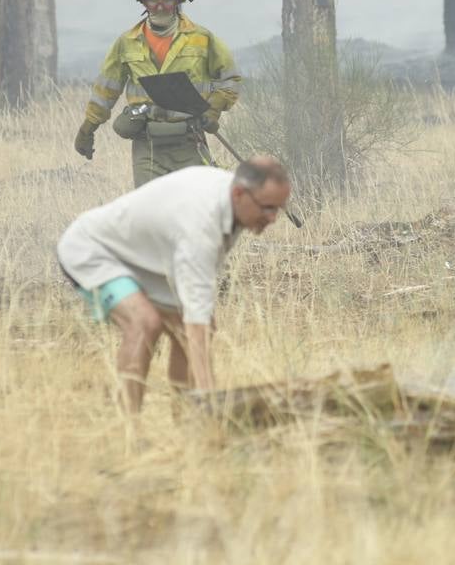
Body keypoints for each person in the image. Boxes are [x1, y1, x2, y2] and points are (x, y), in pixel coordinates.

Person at [56, 156, 292, 412]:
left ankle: (188, 421)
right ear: (238, 194)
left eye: (278, 209)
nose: (273, 218)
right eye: (267, 208)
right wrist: (212, 401)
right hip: (93, 250)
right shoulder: (201, 226)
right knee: (144, 322)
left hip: (146, 262)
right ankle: (129, 428)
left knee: (189, 330)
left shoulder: (231, 199)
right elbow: (197, 321)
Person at [73, 0, 242, 186]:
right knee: (150, 205)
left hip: (189, 142)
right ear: (143, 2)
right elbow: (105, 90)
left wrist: (213, 109)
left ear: (178, 1)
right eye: (153, 0)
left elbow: (231, 79)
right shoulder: (127, 43)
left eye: (167, 0)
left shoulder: (202, 38)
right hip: (147, 146)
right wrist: (87, 129)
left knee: (192, 204)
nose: (160, 7)